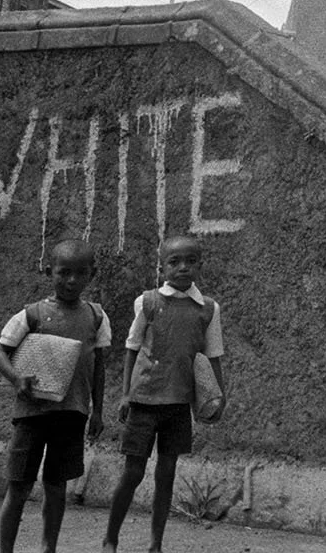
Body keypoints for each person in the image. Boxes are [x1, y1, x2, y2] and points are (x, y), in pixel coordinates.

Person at [103, 235, 227, 553]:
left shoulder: (208, 309)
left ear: (200, 265)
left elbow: (213, 355)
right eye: (174, 262)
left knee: (167, 474)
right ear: (162, 268)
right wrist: (126, 394)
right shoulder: (147, 302)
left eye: (190, 261)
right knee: (132, 473)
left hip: (178, 404)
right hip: (144, 401)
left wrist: (219, 396)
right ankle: (110, 539)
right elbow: (132, 348)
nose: (183, 267)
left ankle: (155, 544)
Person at [0, 238, 111, 553]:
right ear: (49, 271)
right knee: (18, 486)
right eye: (63, 272)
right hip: (32, 414)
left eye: (80, 273)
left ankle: (49, 548)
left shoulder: (96, 317)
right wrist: (17, 379)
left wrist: (97, 411)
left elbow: (98, 368)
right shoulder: (31, 315)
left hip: (72, 414)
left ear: (92, 274)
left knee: (56, 486)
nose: (71, 280)